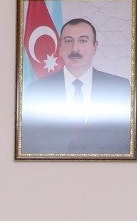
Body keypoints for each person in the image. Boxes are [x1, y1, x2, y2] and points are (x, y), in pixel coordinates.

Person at [20, 18, 131, 155]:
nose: (75, 49)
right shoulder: (36, 91)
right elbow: (30, 146)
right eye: (68, 41)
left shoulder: (120, 89)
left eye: (83, 41)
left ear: (95, 46)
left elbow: (126, 144)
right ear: (60, 46)